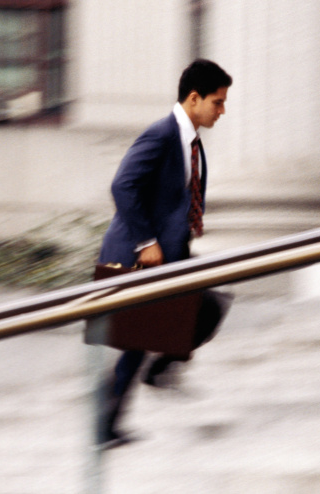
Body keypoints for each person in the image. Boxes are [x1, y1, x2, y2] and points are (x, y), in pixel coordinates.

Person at [96, 59, 232, 449]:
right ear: (194, 98)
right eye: (217, 102)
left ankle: (113, 417)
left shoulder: (188, 140)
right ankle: (112, 418)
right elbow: (123, 186)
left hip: (169, 253)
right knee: (158, 331)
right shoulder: (161, 134)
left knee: (203, 308)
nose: (222, 111)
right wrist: (146, 242)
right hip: (141, 253)